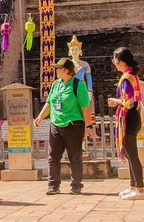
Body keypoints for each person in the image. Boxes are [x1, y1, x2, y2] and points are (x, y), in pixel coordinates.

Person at [33, 57, 96, 195]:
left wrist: (89, 126)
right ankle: (53, 185)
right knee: (53, 156)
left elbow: (85, 107)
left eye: (59, 68)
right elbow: (49, 103)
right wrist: (40, 116)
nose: (57, 71)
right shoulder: (56, 84)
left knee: (74, 156)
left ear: (67, 70)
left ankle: (76, 185)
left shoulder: (78, 85)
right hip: (56, 124)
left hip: (73, 125)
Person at [108, 47, 144, 201]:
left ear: (121, 62)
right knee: (130, 154)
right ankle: (133, 185)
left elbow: (128, 102)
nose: (114, 63)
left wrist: (115, 101)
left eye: (115, 60)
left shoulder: (126, 78)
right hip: (131, 117)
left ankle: (140, 189)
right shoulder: (131, 75)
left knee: (132, 154)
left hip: (128, 117)